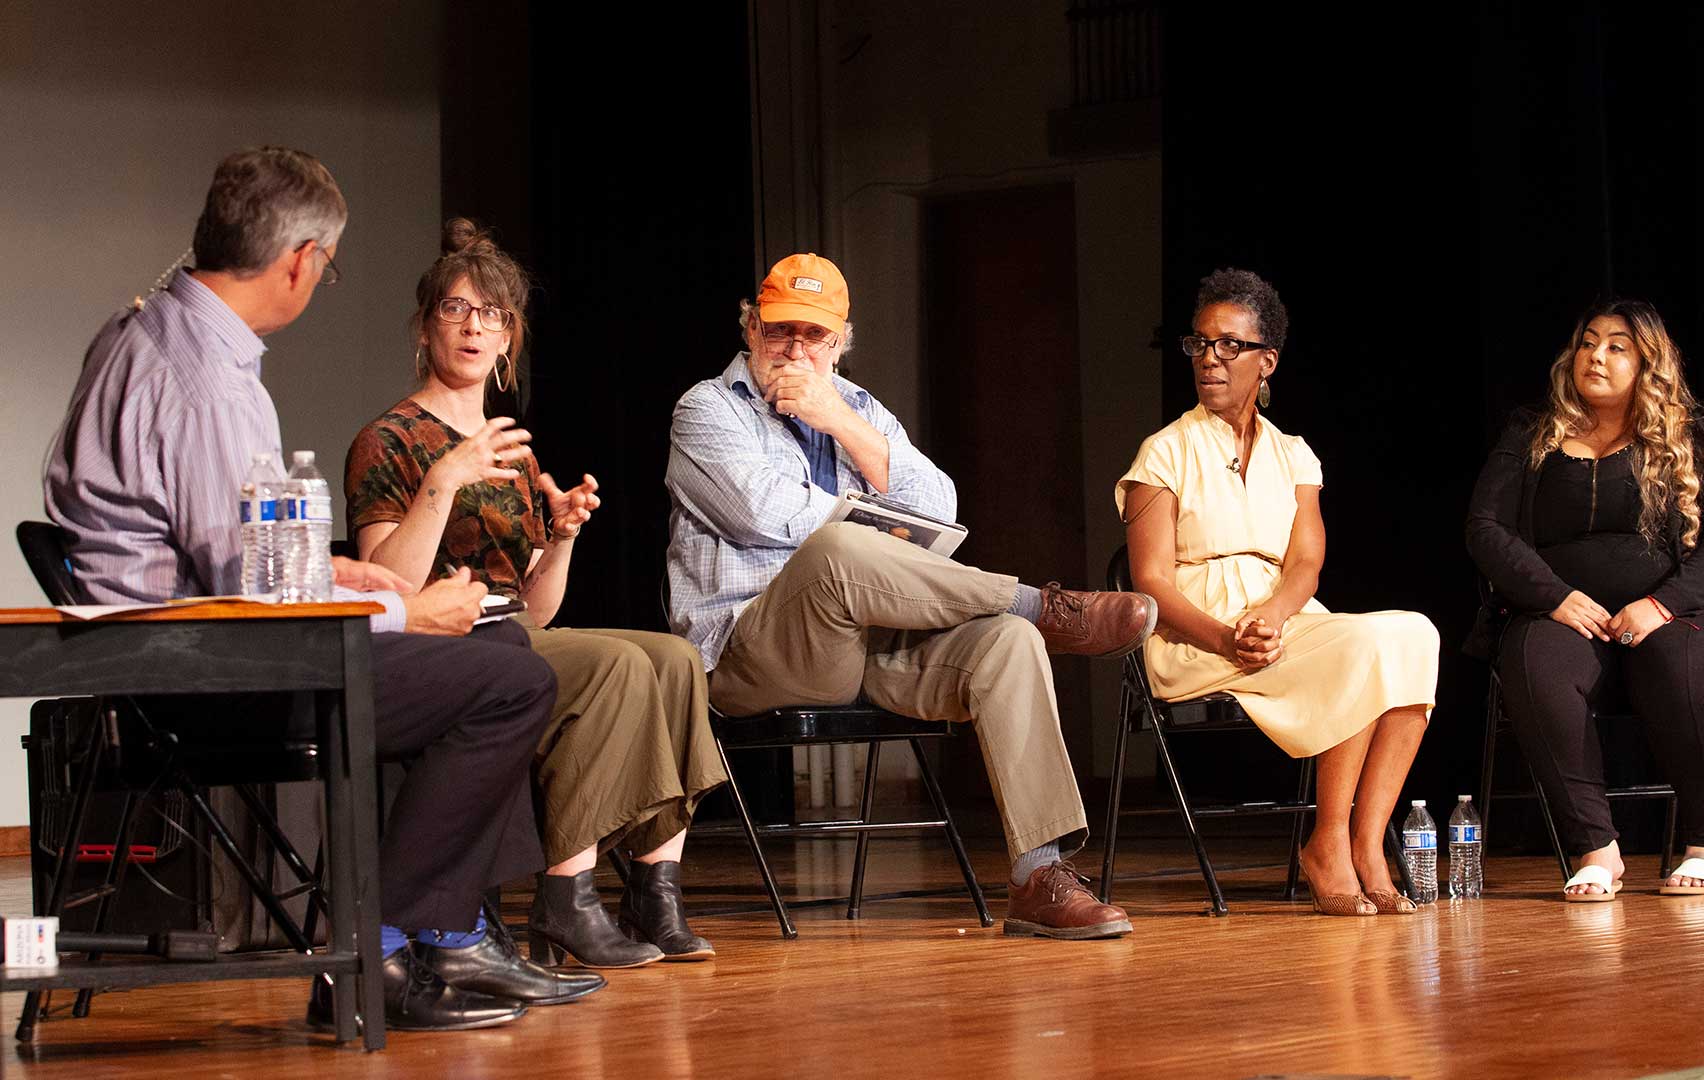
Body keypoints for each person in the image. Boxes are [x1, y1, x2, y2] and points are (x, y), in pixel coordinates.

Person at [44, 148, 597, 1032]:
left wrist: (337, 569)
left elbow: (216, 541)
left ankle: (446, 935)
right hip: (208, 673)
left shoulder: (143, 324)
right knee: (512, 682)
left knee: (496, 645)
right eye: (327, 267)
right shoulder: (207, 379)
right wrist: (408, 609)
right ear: (301, 260)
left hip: (175, 646)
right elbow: (244, 585)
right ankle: (380, 949)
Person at [667, 253, 1156, 939]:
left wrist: (841, 421)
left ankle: (1038, 874)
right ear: (751, 328)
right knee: (836, 549)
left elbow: (942, 510)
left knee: (1005, 644)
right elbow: (761, 513)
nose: (797, 350)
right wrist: (870, 515)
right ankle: (1040, 606)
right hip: (755, 651)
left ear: (842, 342)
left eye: (816, 335)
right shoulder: (707, 410)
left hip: (871, 648)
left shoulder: (860, 409)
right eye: (781, 331)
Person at [345, 219, 725, 967]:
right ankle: (565, 898)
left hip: (508, 633)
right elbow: (388, 587)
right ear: (425, 329)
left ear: (510, 338)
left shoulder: (510, 448)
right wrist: (444, 480)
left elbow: (537, 611)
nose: (474, 327)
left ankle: (655, 891)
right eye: (455, 309)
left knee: (675, 658)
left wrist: (561, 537)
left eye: (492, 315)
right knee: (618, 667)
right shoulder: (388, 439)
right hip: (438, 645)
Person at [1117, 268, 1439, 917]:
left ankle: (1367, 842)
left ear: (1266, 361)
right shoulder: (1164, 452)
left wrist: (1270, 615)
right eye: (1201, 343)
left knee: (1413, 634)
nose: (1211, 357)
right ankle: (1326, 843)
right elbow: (1149, 581)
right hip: (1194, 632)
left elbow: (1306, 563)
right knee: (1358, 649)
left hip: (1279, 620)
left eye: (1229, 345)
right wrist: (1226, 635)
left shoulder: (1295, 454)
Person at [1465, 297, 1704, 901]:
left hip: (1691, 614)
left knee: (1678, 659)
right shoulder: (1531, 432)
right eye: (1589, 341)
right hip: (1565, 615)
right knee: (1533, 665)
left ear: (1648, 365)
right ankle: (1597, 850)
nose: (1596, 355)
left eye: (1618, 346)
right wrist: (1555, 596)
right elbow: (1486, 527)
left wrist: (1662, 605)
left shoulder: (1693, 432)